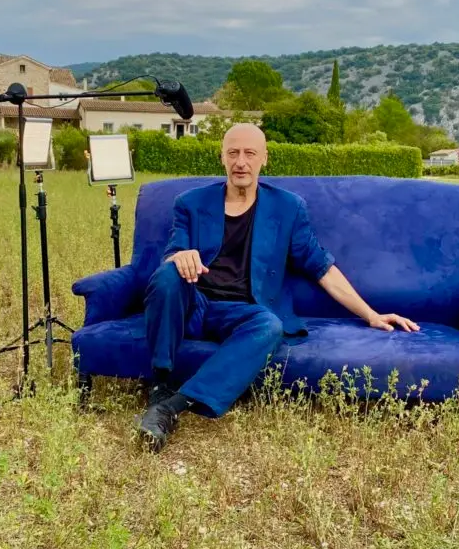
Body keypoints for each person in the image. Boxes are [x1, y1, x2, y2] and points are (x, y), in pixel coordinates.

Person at [134, 123, 419, 452]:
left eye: (250, 153)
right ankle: (160, 382)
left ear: (264, 159)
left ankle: (170, 407)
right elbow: (175, 250)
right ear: (222, 158)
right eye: (233, 153)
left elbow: (319, 266)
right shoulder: (191, 203)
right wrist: (179, 256)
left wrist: (370, 314)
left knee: (270, 325)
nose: (241, 161)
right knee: (168, 274)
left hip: (243, 312)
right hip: (193, 302)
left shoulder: (287, 208)